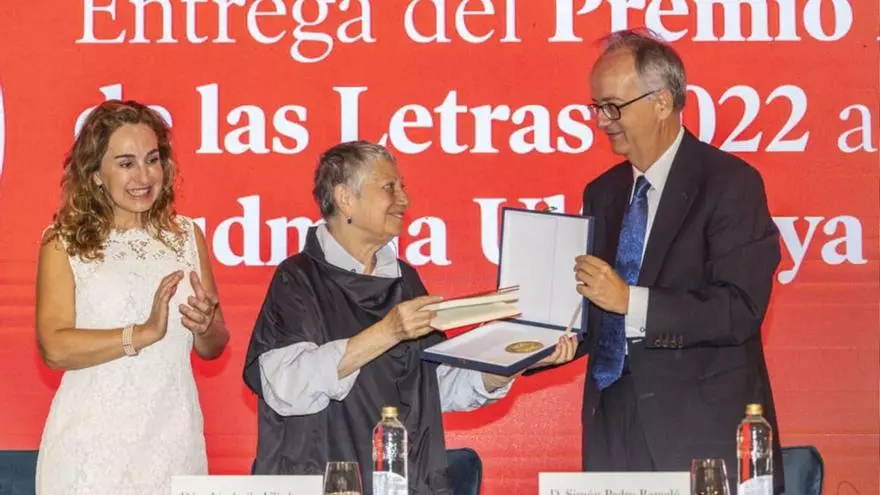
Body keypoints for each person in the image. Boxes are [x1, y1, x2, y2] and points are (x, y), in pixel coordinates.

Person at [242, 141, 577, 494]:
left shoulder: (404, 280)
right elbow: (285, 386)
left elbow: (435, 387)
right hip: (327, 480)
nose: (404, 199)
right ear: (345, 199)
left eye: (403, 187)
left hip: (399, 480)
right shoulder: (297, 279)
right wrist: (387, 332)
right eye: (390, 187)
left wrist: (513, 358)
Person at [570, 29, 784, 492]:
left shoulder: (730, 184)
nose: (602, 121)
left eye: (613, 107)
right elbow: (593, 314)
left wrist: (630, 301)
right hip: (612, 426)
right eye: (596, 108)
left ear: (662, 103)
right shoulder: (602, 193)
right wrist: (546, 335)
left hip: (698, 431)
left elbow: (739, 309)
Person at [35, 100, 230, 494]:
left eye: (152, 160)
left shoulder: (187, 236)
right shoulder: (64, 242)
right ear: (95, 174)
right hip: (90, 455)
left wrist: (206, 326)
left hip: (175, 446)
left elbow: (213, 346)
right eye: (126, 163)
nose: (144, 176)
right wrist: (141, 333)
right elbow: (54, 348)